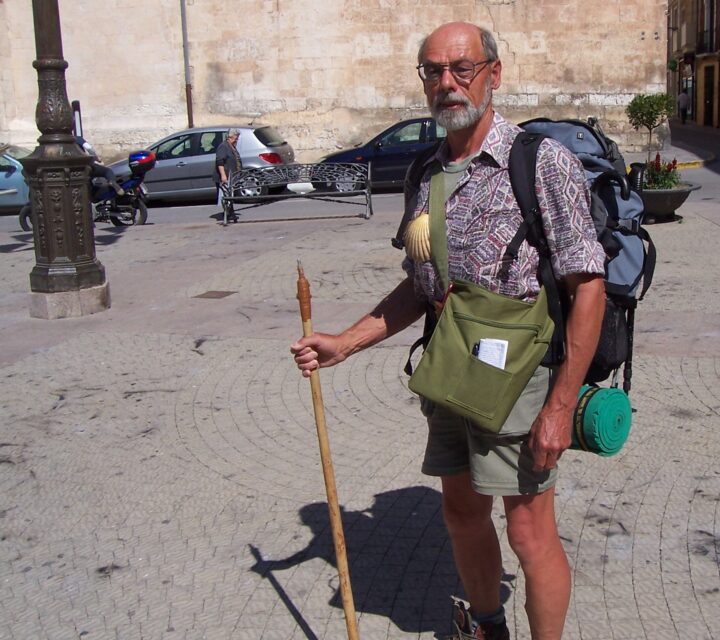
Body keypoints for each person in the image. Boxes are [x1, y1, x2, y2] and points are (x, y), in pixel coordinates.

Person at [290, 22, 606, 640]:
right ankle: (487, 628)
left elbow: (588, 285)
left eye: (462, 68)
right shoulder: (424, 172)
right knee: (461, 513)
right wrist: (343, 344)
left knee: (529, 530)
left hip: (521, 378)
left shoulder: (541, 163)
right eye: (433, 71)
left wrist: (561, 406)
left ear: (494, 73)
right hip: (451, 368)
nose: (447, 83)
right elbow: (421, 285)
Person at [214, 128, 242, 221]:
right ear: (231, 136)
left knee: (230, 196)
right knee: (226, 196)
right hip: (225, 176)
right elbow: (220, 162)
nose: (237, 139)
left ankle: (230, 213)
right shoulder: (223, 146)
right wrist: (223, 176)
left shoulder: (231, 146)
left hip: (230, 176)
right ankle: (228, 214)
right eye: (236, 137)